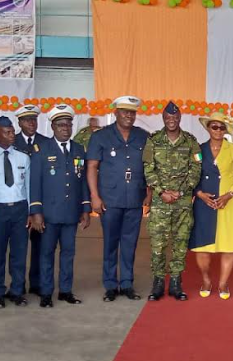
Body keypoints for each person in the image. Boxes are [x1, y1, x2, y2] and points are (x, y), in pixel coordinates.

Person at [86, 96, 150, 302]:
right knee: (111, 243)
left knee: (130, 243)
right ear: (115, 112)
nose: (129, 116)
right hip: (109, 200)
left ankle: (127, 284)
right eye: (124, 111)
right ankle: (111, 285)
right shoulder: (101, 136)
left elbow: (150, 167)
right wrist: (95, 197)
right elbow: (92, 167)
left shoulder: (143, 137)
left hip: (134, 199)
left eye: (132, 112)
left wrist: (149, 192)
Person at [30, 105, 91, 308]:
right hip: (48, 214)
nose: (65, 128)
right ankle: (46, 293)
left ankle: (65, 291)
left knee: (68, 253)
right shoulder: (41, 150)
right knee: (46, 254)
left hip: (71, 213)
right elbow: (35, 183)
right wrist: (36, 212)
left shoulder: (78, 149)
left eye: (68, 124)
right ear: (53, 127)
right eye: (61, 125)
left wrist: (85, 208)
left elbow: (82, 181)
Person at [144, 101, 202, 302]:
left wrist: (181, 191)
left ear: (180, 119)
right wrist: (161, 192)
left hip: (182, 204)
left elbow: (196, 169)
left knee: (180, 243)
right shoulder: (153, 141)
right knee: (158, 245)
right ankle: (158, 282)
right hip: (160, 204)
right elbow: (148, 169)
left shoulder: (190, 141)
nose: (172, 121)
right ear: (163, 118)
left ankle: (176, 283)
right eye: (168, 118)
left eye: (175, 118)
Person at [189, 112, 233, 300]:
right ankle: (206, 279)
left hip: (229, 203)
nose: (218, 130)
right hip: (205, 203)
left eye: (222, 127)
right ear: (208, 128)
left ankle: (222, 283)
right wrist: (199, 193)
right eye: (215, 127)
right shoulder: (198, 149)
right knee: (202, 246)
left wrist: (229, 195)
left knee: (229, 245)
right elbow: (192, 175)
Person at [0, 116, 31, 309]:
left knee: (19, 254)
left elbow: (28, 187)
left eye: (12, 131)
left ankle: (17, 291)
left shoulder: (23, 157)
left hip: (20, 209)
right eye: (7, 132)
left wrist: (30, 212)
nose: (12, 135)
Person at [13, 105, 49, 297]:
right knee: (18, 249)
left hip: (38, 203)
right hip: (17, 202)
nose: (31, 123)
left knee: (40, 246)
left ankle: (36, 283)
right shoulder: (12, 140)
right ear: (19, 123)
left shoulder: (45, 142)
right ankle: (16, 287)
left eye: (34, 119)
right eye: (27, 120)